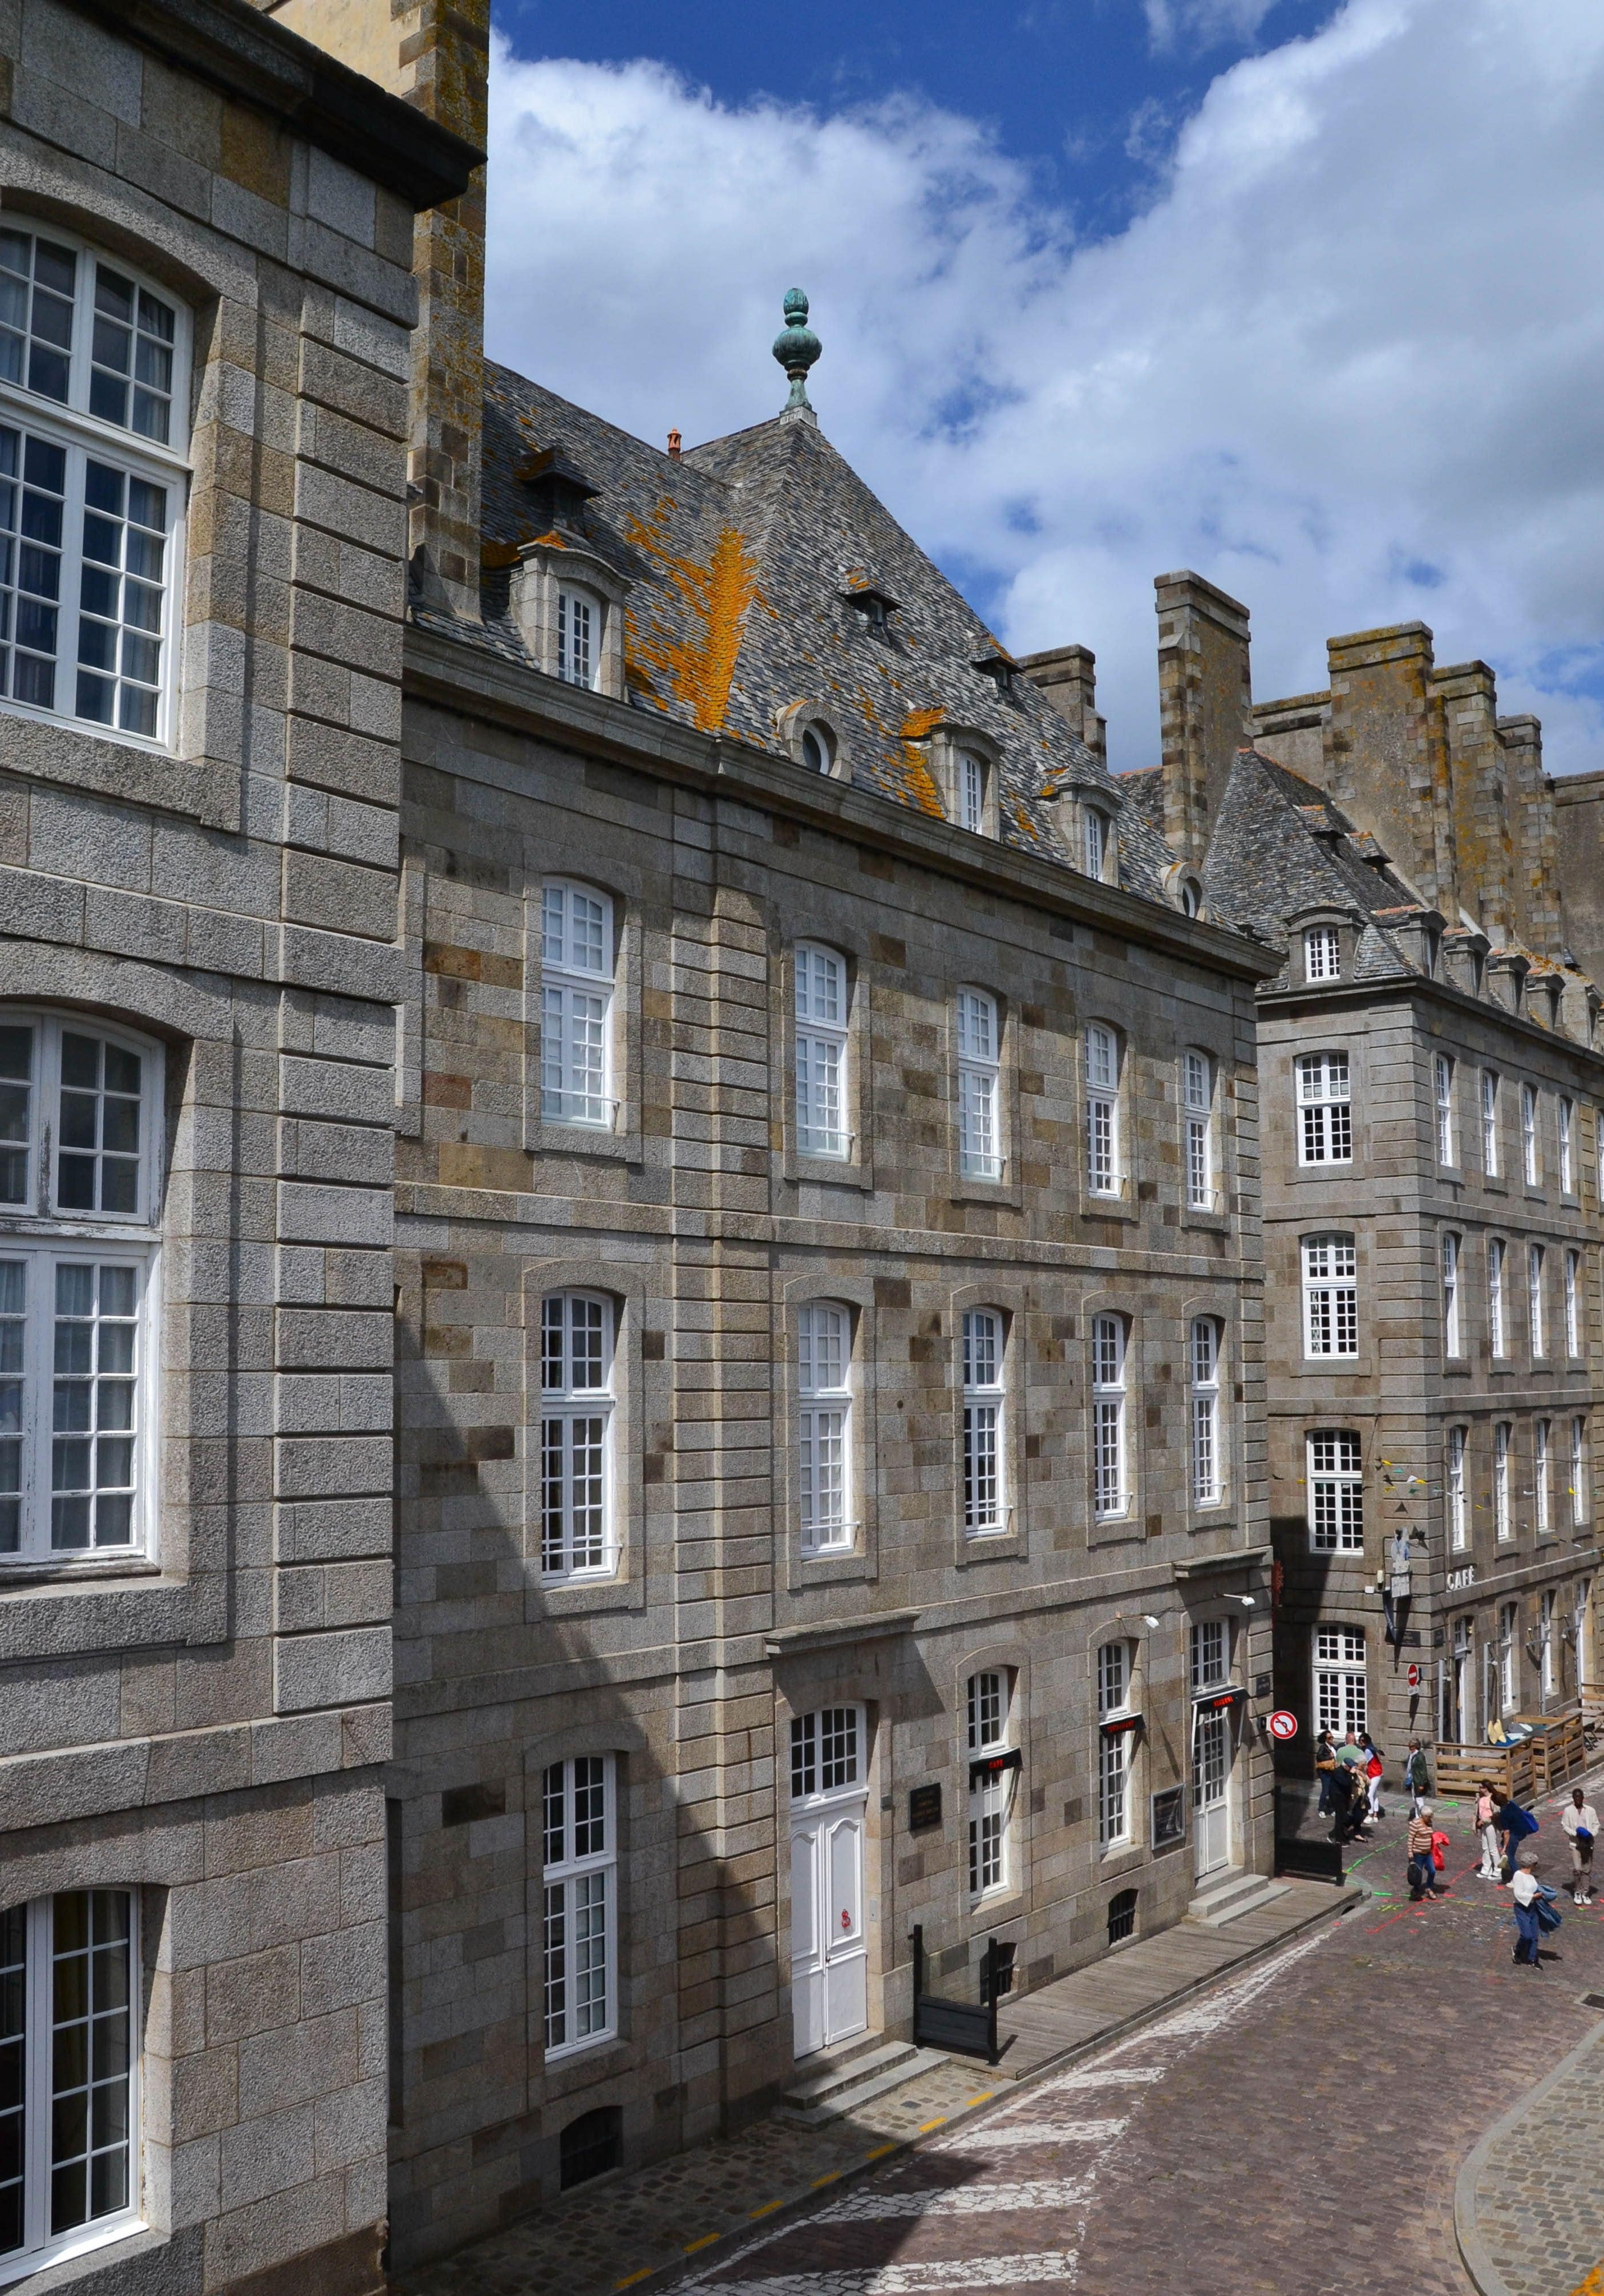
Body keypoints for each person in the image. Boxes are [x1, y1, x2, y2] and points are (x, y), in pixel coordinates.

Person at [1510, 1846, 1561, 1968]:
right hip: (1521, 1908)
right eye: (1535, 1864)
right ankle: (1518, 1950)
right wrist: (1533, 1897)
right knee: (1526, 1935)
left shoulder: (1532, 1878)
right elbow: (1518, 1894)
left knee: (1534, 1936)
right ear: (1531, 1864)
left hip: (1533, 1908)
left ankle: (1533, 1959)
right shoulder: (1518, 1875)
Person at [1561, 1787, 1598, 1906]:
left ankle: (1585, 1893)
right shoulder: (1568, 1810)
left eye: (1579, 1797)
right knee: (1578, 1869)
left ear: (1583, 1798)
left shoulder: (1591, 1811)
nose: (1577, 1799)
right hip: (1575, 1844)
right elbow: (1565, 1826)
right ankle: (1577, 1891)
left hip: (1588, 1844)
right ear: (1573, 1798)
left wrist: (1590, 1834)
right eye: (1575, 1797)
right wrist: (1574, 1833)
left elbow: (1596, 1824)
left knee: (1587, 1869)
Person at [1494, 1789, 1539, 1882]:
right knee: (1509, 1854)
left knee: (1509, 1856)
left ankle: (1519, 1878)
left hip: (1514, 1835)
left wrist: (1505, 1848)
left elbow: (1507, 1833)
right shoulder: (1511, 1804)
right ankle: (1509, 1874)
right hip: (1521, 1832)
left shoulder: (1504, 1814)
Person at [1407, 1802, 1443, 1900]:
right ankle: (1416, 1891)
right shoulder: (1415, 1824)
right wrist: (1410, 1852)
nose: (1430, 1818)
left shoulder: (1430, 1823)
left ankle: (1429, 1888)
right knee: (1418, 1874)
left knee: (1432, 1871)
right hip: (1418, 1853)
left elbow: (1430, 1835)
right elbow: (1410, 1839)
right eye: (1428, 1816)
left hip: (1428, 1853)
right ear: (1423, 1816)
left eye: (1431, 1816)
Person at [1473, 1781, 1501, 1880]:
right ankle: (1486, 1869)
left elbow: (1497, 1813)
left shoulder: (1493, 1799)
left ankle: (1498, 1871)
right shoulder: (1479, 1798)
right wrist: (1474, 1826)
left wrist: (1484, 1820)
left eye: (1481, 1787)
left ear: (1486, 1788)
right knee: (1485, 1847)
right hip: (1483, 1825)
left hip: (1491, 1825)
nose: (1479, 1789)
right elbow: (1476, 1812)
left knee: (1493, 1848)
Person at [1358, 1730, 1385, 1819]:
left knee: (1369, 1794)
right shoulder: (1371, 1748)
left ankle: (1370, 1814)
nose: (1361, 1742)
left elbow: (1364, 1763)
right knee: (1374, 1794)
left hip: (1375, 1773)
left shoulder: (1368, 1750)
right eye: (1360, 1741)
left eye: (1363, 1741)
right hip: (1376, 1773)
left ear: (1367, 1741)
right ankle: (1376, 1815)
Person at [1404, 1739, 1432, 1816]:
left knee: (1419, 1800)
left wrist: (1422, 1784)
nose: (1410, 1748)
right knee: (1415, 1799)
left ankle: (1424, 1816)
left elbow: (1424, 1771)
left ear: (1416, 1747)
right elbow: (1410, 1768)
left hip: (1418, 1781)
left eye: (1412, 1747)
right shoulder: (1411, 1755)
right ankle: (1417, 1816)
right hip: (1413, 1780)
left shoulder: (1420, 1756)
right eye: (1409, 1747)